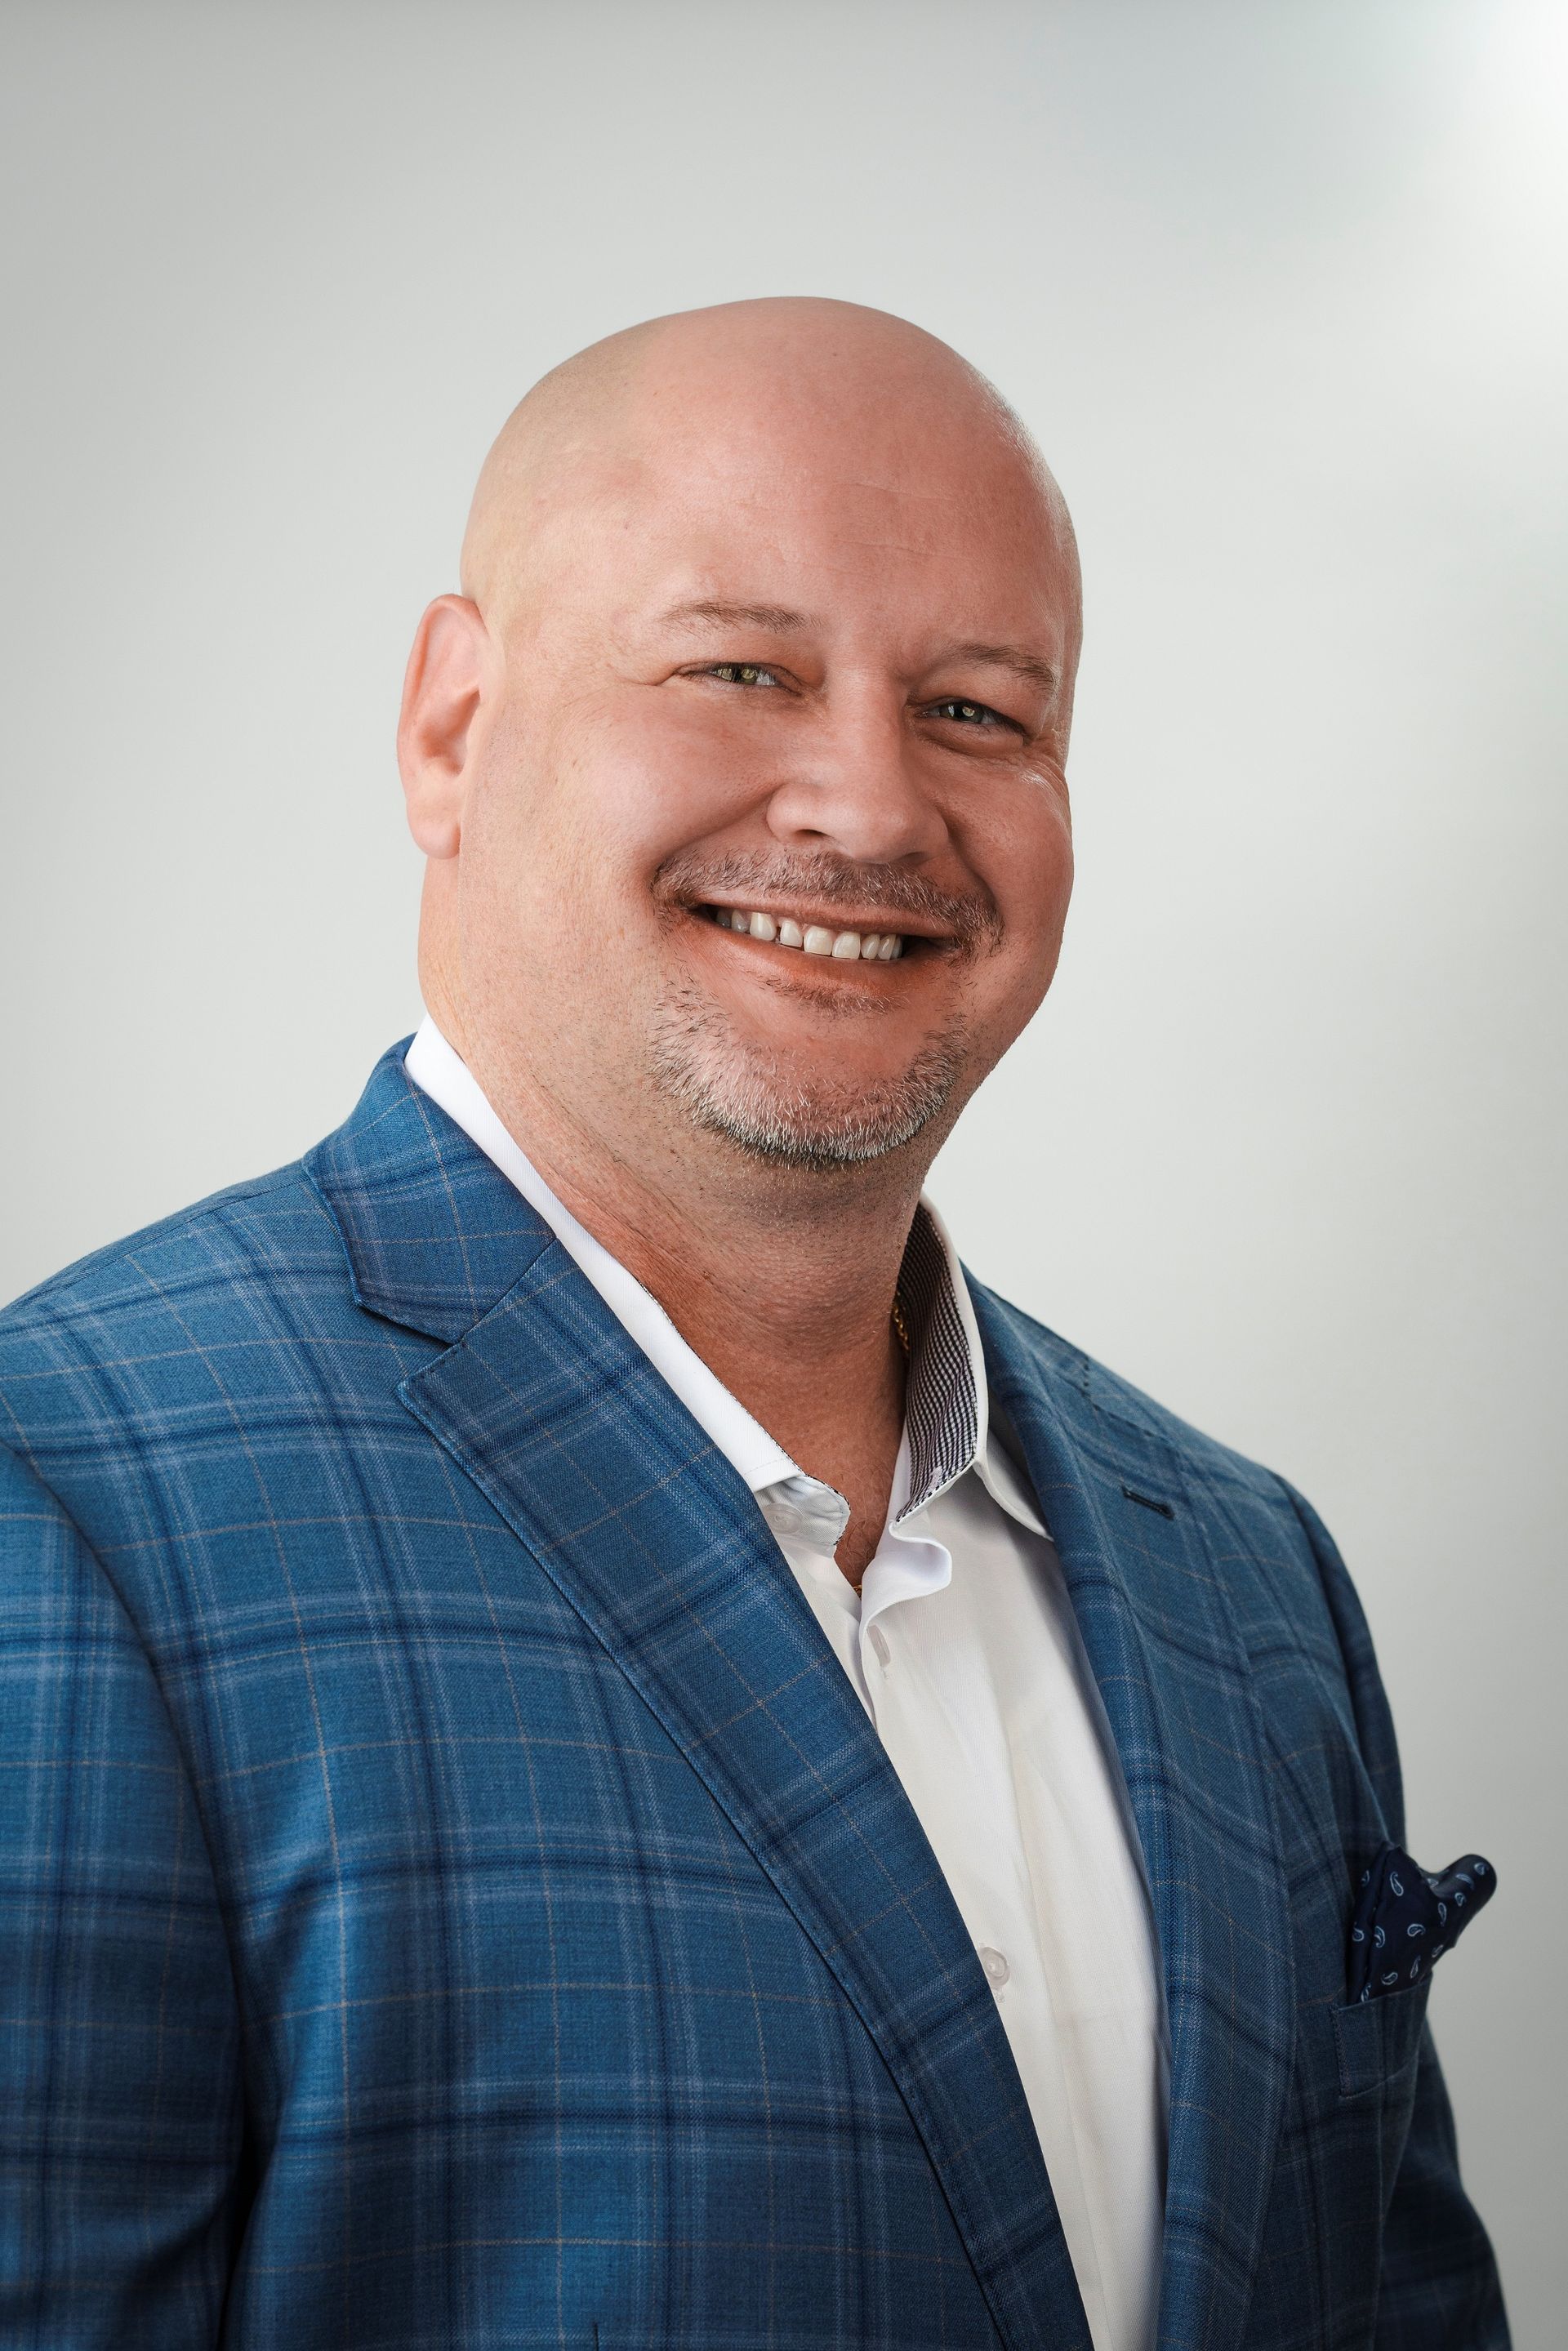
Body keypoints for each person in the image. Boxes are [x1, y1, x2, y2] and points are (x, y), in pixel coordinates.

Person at [0, 298, 1505, 2351]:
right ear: (452, 730)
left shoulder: (1251, 1575)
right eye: (740, 670)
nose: (873, 808)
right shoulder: (68, 1515)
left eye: (980, 708)